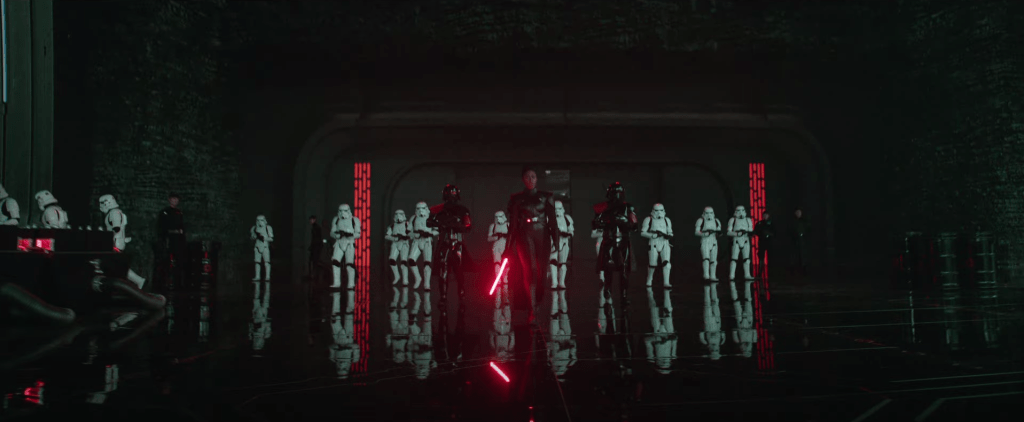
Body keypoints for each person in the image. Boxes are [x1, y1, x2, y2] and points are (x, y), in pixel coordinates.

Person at [505, 166, 558, 324]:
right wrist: (508, 247)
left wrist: (556, 241)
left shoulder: (546, 197)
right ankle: (532, 308)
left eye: (533, 176)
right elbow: (513, 224)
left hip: (542, 235)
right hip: (524, 235)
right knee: (529, 270)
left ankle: (537, 302)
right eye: (527, 176)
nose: (530, 179)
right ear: (523, 179)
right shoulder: (517, 199)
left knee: (542, 273)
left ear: (537, 179)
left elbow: (552, 221)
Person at [593, 182, 639, 309]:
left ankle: (623, 296)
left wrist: (624, 221)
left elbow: (635, 226)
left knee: (624, 270)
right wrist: (607, 221)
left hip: (623, 242)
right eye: (615, 193)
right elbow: (596, 224)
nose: (617, 196)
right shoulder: (603, 207)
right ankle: (607, 290)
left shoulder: (628, 207)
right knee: (608, 269)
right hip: (609, 241)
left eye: (619, 193)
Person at [427, 184, 472, 305]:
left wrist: (456, 224)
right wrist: (440, 223)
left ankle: (461, 296)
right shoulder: (439, 209)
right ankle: (443, 297)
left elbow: (467, 226)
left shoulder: (462, 210)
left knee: (459, 271)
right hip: (444, 243)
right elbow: (429, 222)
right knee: (444, 271)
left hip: (457, 244)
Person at [99, 194, 147, 289]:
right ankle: (138, 281)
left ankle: (137, 281)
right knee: (117, 266)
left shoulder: (114, 213)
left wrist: (110, 241)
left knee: (115, 265)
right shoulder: (114, 212)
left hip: (115, 243)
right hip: (116, 242)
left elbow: (116, 228)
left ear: (107, 203)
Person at [640, 203, 673, 288]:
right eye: (657, 211)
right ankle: (649, 279)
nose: (659, 213)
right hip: (653, 243)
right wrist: (652, 235)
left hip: (665, 243)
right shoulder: (648, 219)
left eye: (661, 210)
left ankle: (666, 282)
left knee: (667, 264)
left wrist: (668, 236)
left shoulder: (667, 220)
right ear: (653, 211)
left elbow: (670, 232)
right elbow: (643, 232)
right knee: (652, 264)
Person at [158, 193, 186, 284]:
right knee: (166, 261)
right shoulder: (164, 212)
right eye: (173, 199)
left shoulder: (179, 212)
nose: (175, 201)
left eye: (176, 199)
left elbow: (182, 227)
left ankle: (177, 281)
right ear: (169, 200)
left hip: (178, 241)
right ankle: (165, 281)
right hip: (168, 240)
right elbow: (162, 227)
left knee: (178, 261)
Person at [250, 215, 274, 281]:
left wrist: (264, 238)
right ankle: (257, 276)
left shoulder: (268, 228)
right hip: (257, 247)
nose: (259, 222)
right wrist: (254, 237)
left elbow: (271, 238)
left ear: (265, 221)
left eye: (261, 220)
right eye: (258, 220)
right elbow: (252, 237)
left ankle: (267, 276)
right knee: (257, 262)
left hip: (265, 247)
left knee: (267, 262)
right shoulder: (254, 228)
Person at [753, 210, 776, 277]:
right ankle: (760, 272)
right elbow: (755, 231)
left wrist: (769, 234)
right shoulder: (759, 223)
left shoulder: (772, 223)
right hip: (762, 242)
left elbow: (775, 232)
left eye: (766, 215)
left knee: (770, 257)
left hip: (770, 242)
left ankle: (771, 272)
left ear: (769, 215)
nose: (765, 216)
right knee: (761, 257)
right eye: (764, 215)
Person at [790, 208, 811, 276]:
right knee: (795, 255)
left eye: (799, 212)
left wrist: (803, 235)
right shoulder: (793, 221)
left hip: (802, 241)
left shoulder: (804, 221)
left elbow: (808, 230)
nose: (798, 213)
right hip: (795, 241)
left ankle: (804, 268)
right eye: (797, 212)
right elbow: (790, 230)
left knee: (803, 255)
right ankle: (795, 269)